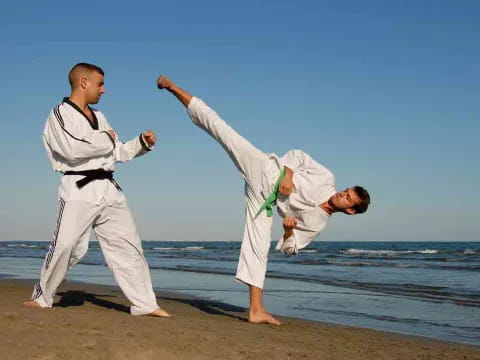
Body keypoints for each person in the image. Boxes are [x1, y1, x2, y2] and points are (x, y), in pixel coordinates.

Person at [156, 75, 370, 325]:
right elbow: (298, 155)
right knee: (222, 130)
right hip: (267, 170)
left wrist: (289, 231)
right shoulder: (326, 177)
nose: (341, 194)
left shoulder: (319, 224)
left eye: (347, 198)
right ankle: (173, 88)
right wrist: (288, 175)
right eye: (345, 191)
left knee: (259, 250)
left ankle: (256, 310)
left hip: (265, 203)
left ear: (351, 211)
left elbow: (292, 249)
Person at [24, 63, 170, 318]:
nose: (103, 90)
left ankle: (146, 303)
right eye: (100, 84)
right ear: (83, 83)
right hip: (78, 187)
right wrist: (106, 139)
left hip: (109, 189)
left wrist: (140, 144)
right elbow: (71, 149)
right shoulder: (59, 114)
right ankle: (42, 297)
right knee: (67, 246)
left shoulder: (100, 117)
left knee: (128, 247)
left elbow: (116, 151)